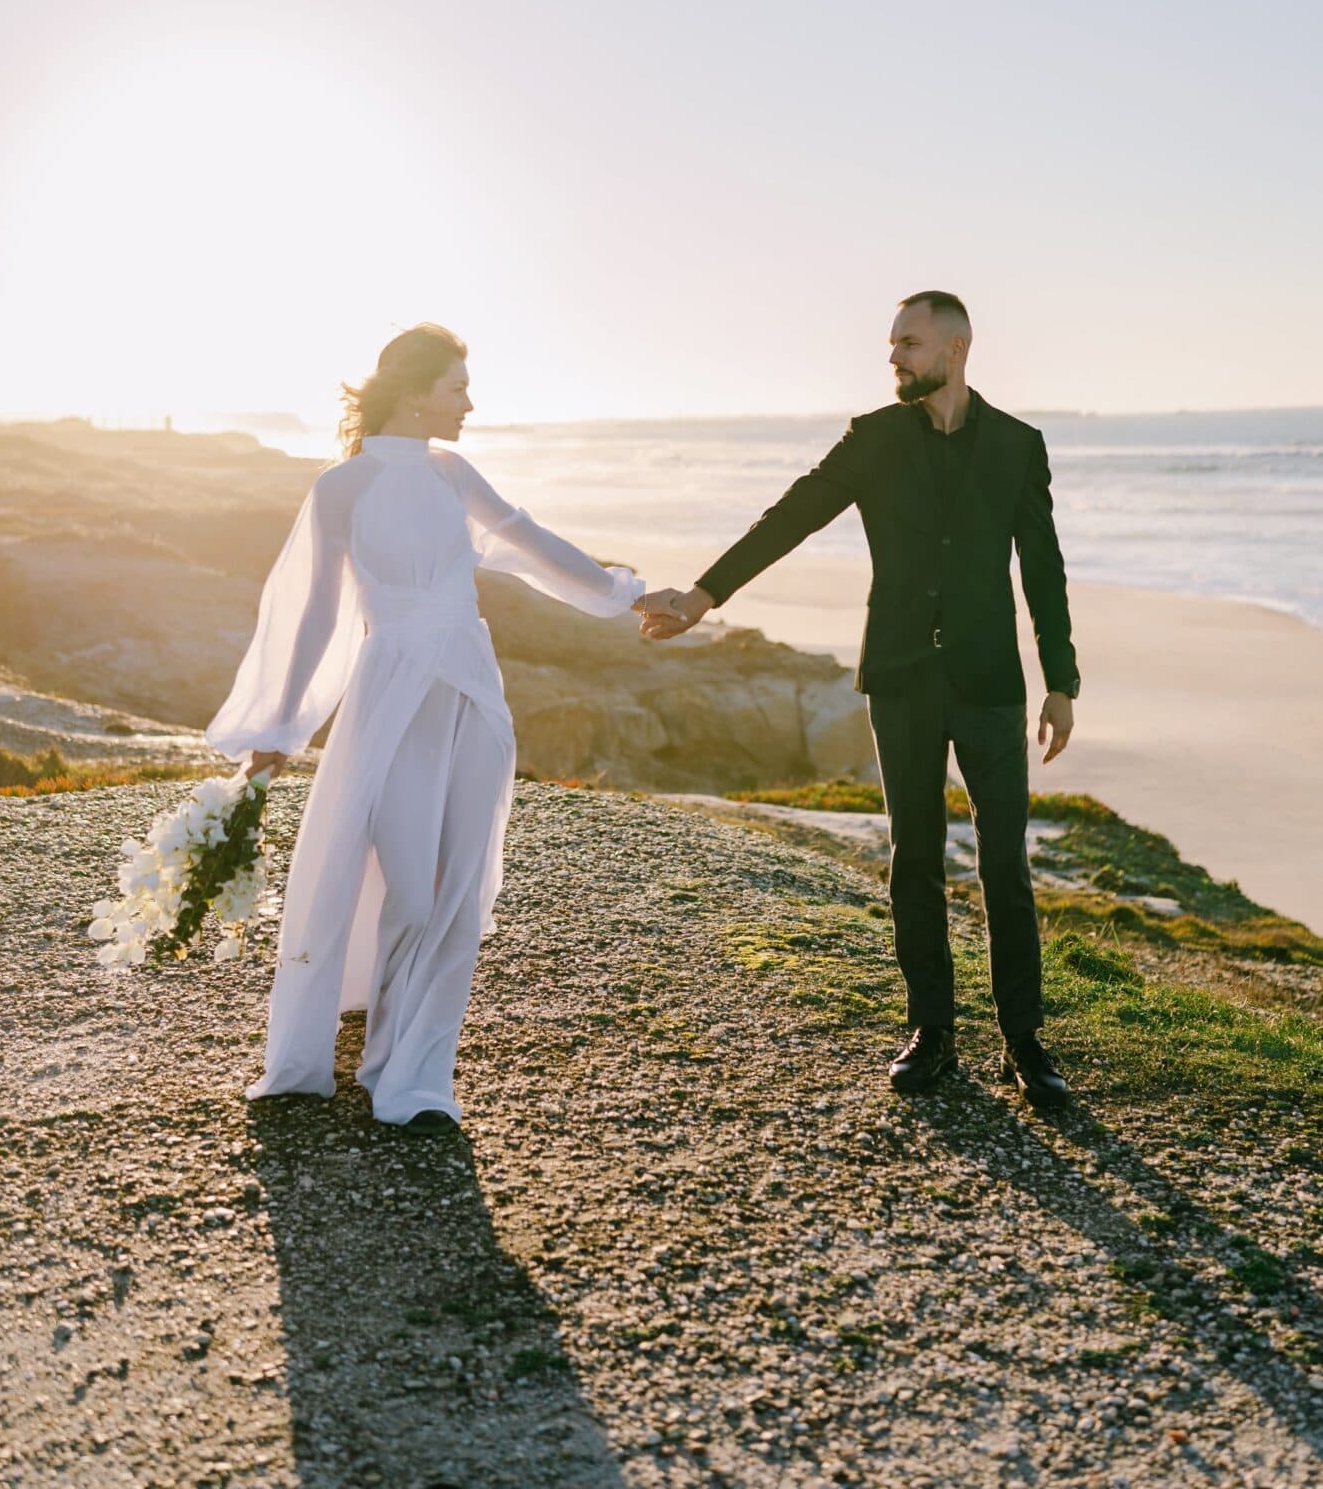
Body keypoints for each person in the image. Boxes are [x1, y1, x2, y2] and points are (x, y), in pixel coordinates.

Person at [638, 291, 1080, 1107]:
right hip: (902, 679)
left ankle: (1023, 1040)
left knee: (1004, 865)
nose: (892, 358)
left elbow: (1042, 566)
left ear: (954, 348)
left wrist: (1060, 680)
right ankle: (932, 1032)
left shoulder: (1019, 446)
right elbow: (792, 516)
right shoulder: (872, 439)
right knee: (913, 857)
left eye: (907, 344)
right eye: (890, 345)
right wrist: (703, 596)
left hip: (989, 683)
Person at [206, 324, 644, 1132]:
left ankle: (413, 1076)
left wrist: (621, 594)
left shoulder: (450, 472)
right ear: (414, 394)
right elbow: (313, 616)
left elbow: (525, 540)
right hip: (392, 691)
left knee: (457, 883)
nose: (468, 404)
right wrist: (280, 724)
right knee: (412, 883)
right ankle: (370, 1046)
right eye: (456, 389)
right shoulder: (342, 487)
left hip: (472, 688)